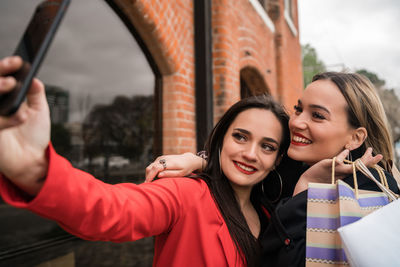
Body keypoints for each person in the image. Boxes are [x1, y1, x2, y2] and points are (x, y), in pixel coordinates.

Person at [0, 55, 297, 266]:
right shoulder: (187, 194)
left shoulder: (273, 215)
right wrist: (35, 169)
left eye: (267, 146)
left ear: (278, 158)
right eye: (241, 137)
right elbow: (110, 210)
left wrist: (201, 160)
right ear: (221, 140)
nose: (249, 153)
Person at [145, 71, 400, 266]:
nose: (297, 122)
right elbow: (250, 165)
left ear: (355, 138)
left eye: (317, 116)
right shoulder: (294, 163)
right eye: (299, 109)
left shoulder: (371, 194)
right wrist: (200, 161)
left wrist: (304, 195)